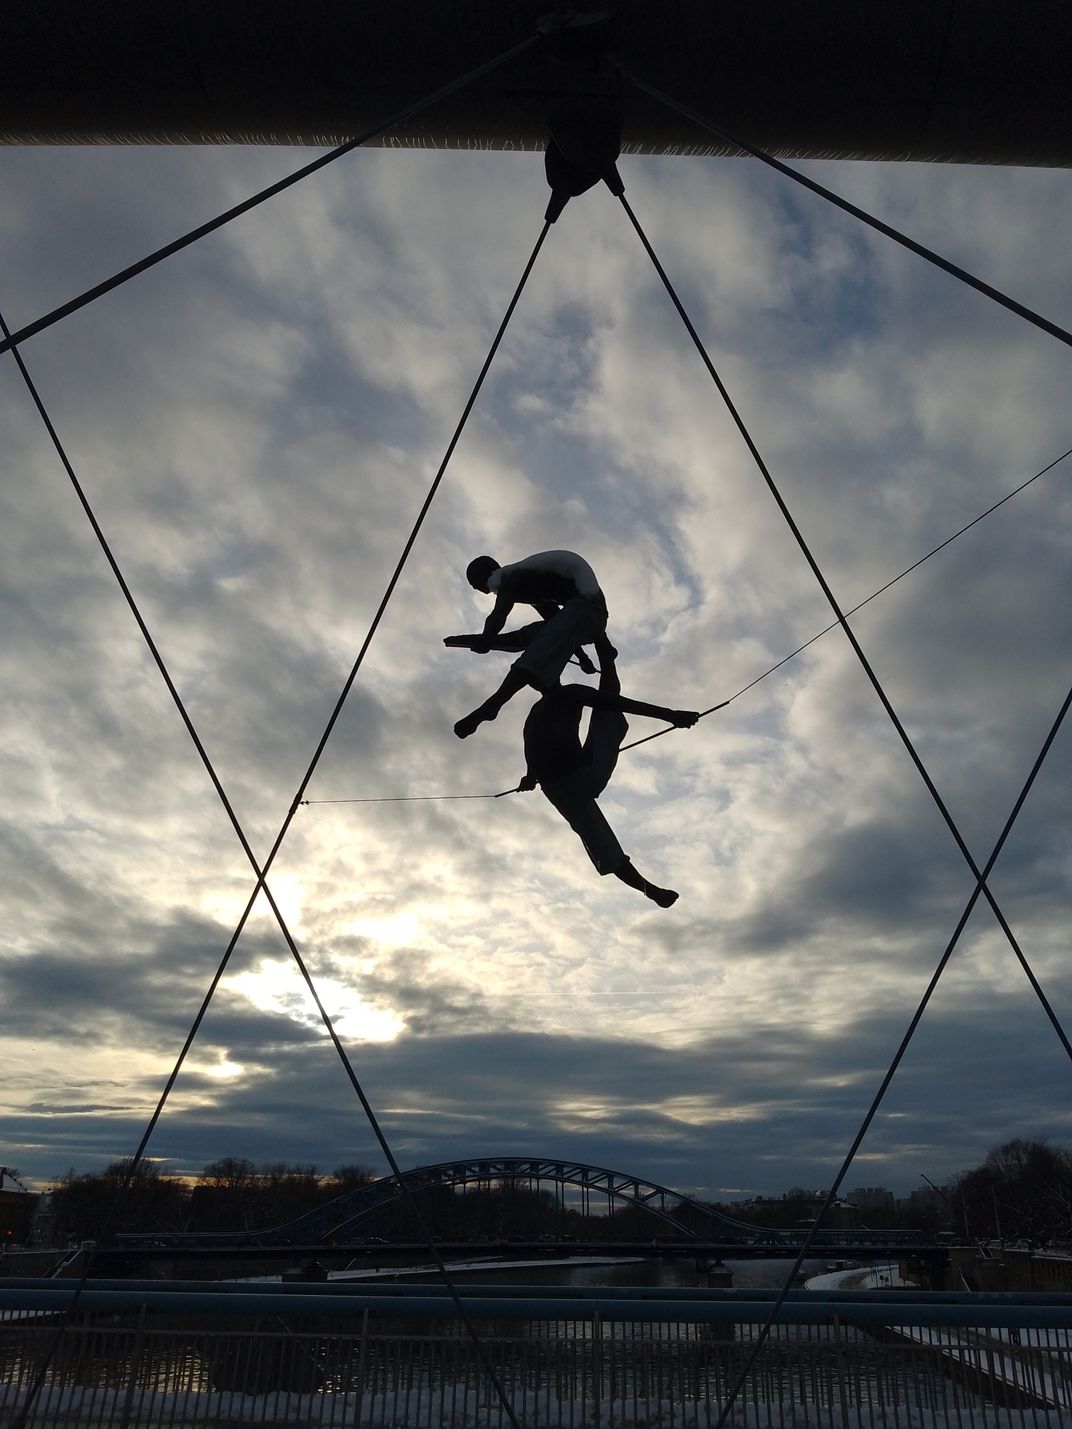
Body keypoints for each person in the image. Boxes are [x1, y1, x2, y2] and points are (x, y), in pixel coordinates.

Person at [518, 640, 698, 906]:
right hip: (559, 786)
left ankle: (607, 657)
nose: (535, 681)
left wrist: (670, 715)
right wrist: (530, 775)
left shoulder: (570, 694)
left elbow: (617, 703)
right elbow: (532, 747)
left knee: (608, 709)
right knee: (598, 840)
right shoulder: (534, 713)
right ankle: (649, 889)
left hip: (582, 772)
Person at [449, 550, 611, 738]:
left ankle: (492, 706)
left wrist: (487, 637)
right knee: (534, 633)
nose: (475, 588)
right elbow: (556, 620)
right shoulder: (532, 582)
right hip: (587, 615)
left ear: (483, 575)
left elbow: (498, 615)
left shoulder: (511, 578)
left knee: (539, 648)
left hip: (589, 610)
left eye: (473, 582)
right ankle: (545, 686)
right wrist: (582, 657)